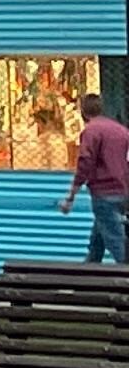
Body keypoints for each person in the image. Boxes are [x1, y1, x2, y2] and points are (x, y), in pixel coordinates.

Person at [67, 92, 129, 265]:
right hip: (123, 191)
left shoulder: (91, 131)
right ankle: (89, 269)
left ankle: (124, 272)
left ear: (83, 112)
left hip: (104, 192)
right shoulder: (122, 131)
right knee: (99, 237)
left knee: (116, 241)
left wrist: (72, 193)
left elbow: (85, 161)